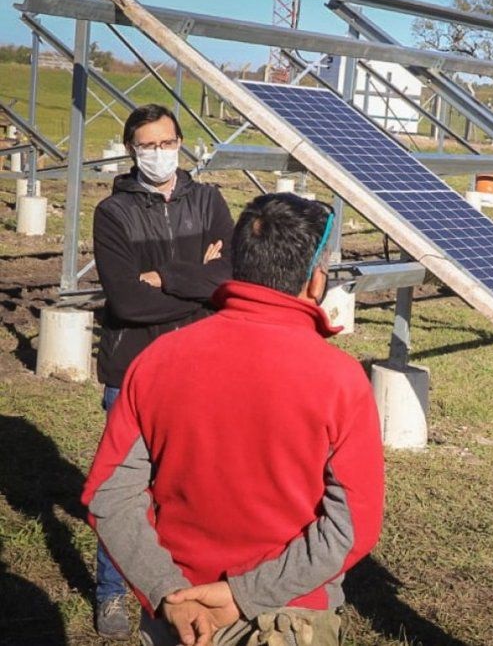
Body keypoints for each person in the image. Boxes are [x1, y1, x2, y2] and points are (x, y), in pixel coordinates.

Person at [82, 193, 385, 646]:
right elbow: (352, 525)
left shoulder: (158, 360)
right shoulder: (341, 380)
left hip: (178, 616)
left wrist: (167, 592)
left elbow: (110, 494)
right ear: (316, 280)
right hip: (288, 617)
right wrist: (242, 596)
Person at [91, 104, 234, 639]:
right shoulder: (114, 213)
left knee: (192, 485)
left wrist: (165, 277)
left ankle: (184, 585)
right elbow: (127, 302)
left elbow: (230, 276)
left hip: (200, 364)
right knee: (122, 488)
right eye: (147, 145)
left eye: (166, 142)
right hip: (134, 366)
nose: (158, 153)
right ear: (132, 150)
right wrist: (198, 286)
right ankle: (112, 592)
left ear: (181, 143)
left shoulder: (209, 199)